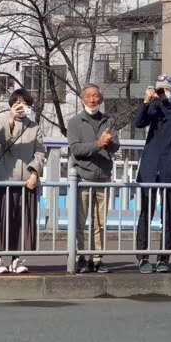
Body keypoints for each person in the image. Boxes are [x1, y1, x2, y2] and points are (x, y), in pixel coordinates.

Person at [133, 74, 171, 274]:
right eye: (159, 89)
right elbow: (138, 123)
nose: (162, 92)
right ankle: (142, 257)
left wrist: (165, 105)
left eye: (166, 89)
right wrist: (146, 102)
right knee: (145, 214)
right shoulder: (154, 106)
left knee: (168, 215)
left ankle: (164, 257)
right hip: (150, 167)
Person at [0, 89, 45, 275]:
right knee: (1, 219)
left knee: (23, 220)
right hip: (4, 178)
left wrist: (35, 173)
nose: (21, 106)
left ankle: (17, 258)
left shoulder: (35, 126)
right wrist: (11, 119)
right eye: (17, 102)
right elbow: (1, 139)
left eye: (24, 103)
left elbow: (40, 152)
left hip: (26, 180)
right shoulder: (1, 119)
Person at [66, 84, 116, 273]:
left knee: (100, 222)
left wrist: (109, 143)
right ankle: (79, 257)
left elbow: (115, 146)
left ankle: (97, 259)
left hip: (103, 177)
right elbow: (76, 149)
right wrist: (98, 144)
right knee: (80, 220)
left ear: (101, 99)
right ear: (82, 99)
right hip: (82, 177)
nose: (93, 100)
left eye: (96, 96)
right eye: (89, 96)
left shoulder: (108, 121)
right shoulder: (75, 122)